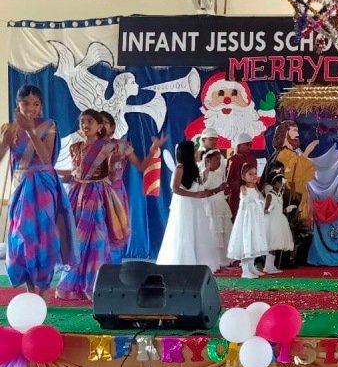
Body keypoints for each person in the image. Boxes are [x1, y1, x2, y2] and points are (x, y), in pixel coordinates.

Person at [1, 86, 78, 296]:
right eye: (25, 103)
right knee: (22, 238)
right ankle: (30, 290)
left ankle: (43, 292)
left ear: (41, 106)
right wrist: (5, 141)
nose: (31, 108)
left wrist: (30, 132)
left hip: (44, 188)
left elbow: (46, 158)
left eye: (35, 104)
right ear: (17, 104)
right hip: (20, 190)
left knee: (44, 237)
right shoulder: (9, 128)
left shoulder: (49, 125)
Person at [56, 109, 124, 300]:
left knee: (96, 241)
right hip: (76, 196)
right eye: (82, 121)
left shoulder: (108, 148)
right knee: (75, 241)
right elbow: (74, 174)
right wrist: (52, 174)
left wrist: (113, 165)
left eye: (90, 121)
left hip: (96, 197)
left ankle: (93, 284)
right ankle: (71, 285)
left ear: (99, 126)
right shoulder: (75, 147)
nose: (85, 125)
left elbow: (112, 177)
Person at [99, 111, 164, 263]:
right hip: (94, 192)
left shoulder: (122, 146)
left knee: (115, 229)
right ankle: (95, 265)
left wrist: (152, 151)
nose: (101, 126)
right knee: (96, 228)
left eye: (105, 123)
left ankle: (112, 267)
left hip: (115, 193)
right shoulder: (89, 146)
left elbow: (141, 166)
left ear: (112, 127)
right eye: (99, 123)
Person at [157, 141, 226, 272]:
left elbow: (197, 185)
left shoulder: (194, 168)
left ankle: (199, 262)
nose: (196, 152)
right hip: (184, 205)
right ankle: (184, 261)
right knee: (185, 231)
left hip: (196, 205)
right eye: (194, 149)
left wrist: (205, 174)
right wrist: (194, 195)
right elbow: (175, 188)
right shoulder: (179, 168)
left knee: (198, 230)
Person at [228, 164, 276, 278]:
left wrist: (265, 207)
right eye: (250, 174)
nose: (254, 176)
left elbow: (260, 200)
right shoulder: (243, 188)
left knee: (254, 241)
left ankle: (252, 267)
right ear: (243, 176)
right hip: (247, 220)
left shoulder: (256, 188)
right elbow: (246, 202)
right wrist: (257, 203)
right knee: (247, 242)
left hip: (255, 219)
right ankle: (245, 270)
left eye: (255, 173)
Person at [273, 120, 318, 222]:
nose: (297, 134)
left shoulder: (290, 153)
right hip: (292, 201)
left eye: (297, 131)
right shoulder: (283, 154)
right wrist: (306, 152)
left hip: (299, 199)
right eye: (294, 131)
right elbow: (296, 174)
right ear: (285, 133)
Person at [202, 149, 232, 266]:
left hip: (221, 205)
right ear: (208, 160)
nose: (219, 162)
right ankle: (216, 259)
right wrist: (218, 189)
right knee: (215, 231)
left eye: (220, 159)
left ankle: (226, 258)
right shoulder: (204, 174)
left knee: (225, 231)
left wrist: (226, 191)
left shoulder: (220, 174)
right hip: (211, 206)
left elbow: (223, 193)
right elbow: (204, 192)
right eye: (216, 159)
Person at [264, 173, 295, 267]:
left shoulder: (279, 195)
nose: (281, 185)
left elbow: (280, 209)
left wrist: (288, 209)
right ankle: (267, 266)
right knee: (271, 244)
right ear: (275, 183)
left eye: (282, 183)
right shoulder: (269, 195)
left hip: (279, 220)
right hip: (272, 221)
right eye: (280, 183)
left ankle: (271, 265)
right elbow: (264, 210)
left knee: (276, 244)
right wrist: (269, 209)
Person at [226, 133, 257, 218]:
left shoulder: (252, 159)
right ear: (239, 145)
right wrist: (237, 186)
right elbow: (228, 179)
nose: (249, 147)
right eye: (247, 144)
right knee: (236, 217)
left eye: (250, 144)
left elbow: (255, 176)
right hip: (236, 195)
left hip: (251, 192)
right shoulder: (232, 160)